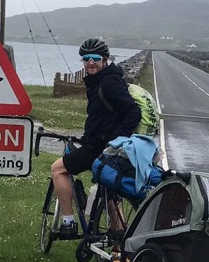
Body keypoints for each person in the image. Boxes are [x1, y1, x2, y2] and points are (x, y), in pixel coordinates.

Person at [50, 37, 141, 238]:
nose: (90, 62)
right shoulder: (104, 79)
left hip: (102, 146)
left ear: (105, 59)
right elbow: (104, 115)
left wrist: (115, 139)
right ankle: (120, 246)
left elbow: (133, 112)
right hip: (102, 143)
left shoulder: (108, 82)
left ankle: (68, 223)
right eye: (86, 58)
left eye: (95, 58)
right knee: (109, 193)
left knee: (58, 170)